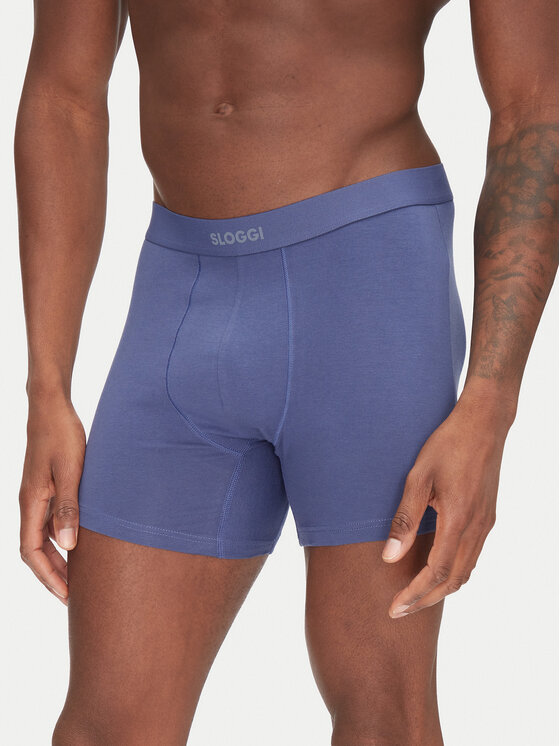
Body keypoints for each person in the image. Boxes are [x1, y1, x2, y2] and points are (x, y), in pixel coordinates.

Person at [14, 0, 558, 744]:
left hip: (367, 287)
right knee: (103, 729)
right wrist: (46, 387)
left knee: (382, 718)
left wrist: (492, 399)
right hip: (179, 294)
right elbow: (64, 97)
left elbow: (533, 109)